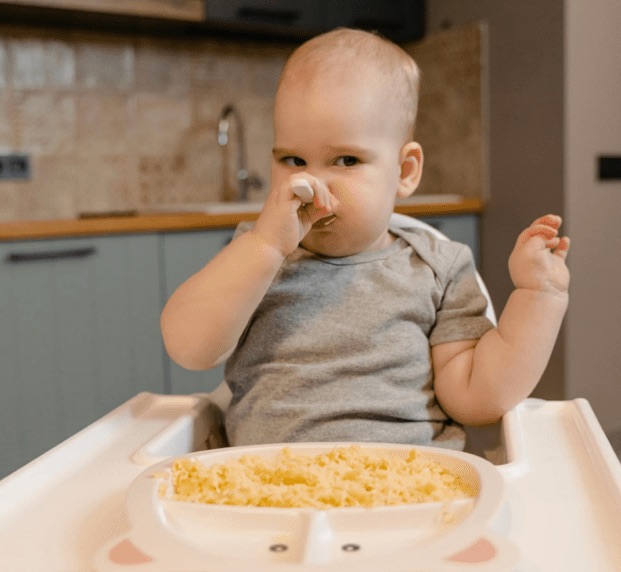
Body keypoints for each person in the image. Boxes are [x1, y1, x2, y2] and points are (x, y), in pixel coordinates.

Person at [161, 28, 570, 450]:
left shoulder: (437, 268)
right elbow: (190, 349)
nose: (311, 184)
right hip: (269, 480)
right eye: (294, 160)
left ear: (405, 171)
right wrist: (264, 247)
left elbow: (474, 397)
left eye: (346, 160)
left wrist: (538, 297)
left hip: (409, 479)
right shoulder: (257, 256)